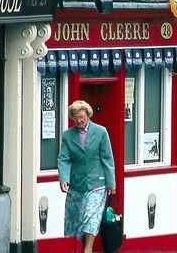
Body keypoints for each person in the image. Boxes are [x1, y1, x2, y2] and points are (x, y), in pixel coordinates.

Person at [58, 100, 116, 253]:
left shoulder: (101, 132)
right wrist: (64, 178)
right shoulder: (67, 135)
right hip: (77, 184)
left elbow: (107, 159)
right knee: (75, 220)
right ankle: (75, 248)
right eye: (76, 117)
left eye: (82, 116)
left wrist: (111, 183)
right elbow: (63, 159)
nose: (79, 120)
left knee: (91, 215)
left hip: (97, 183)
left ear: (88, 115)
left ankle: (88, 249)